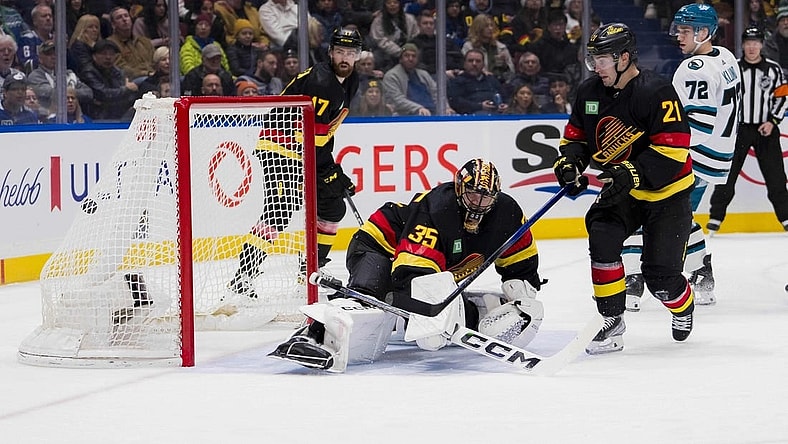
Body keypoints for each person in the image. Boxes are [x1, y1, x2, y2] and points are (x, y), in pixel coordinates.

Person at [270, 159, 546, 371]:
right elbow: (412, 277)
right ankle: (314, 336)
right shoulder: (437, 210)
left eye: (486, 197)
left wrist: (521, 295)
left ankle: (476, 310)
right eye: (473, 194)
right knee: (371, 298)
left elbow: (520, 265)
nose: (479, 203)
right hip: (379, 246)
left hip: (426, 267)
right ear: (460, 188)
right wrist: (427, 315)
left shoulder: (507, 214)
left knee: (435, 308)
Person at [553, 23, 696, 355]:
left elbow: (673, 152)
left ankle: (682, 305)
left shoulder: (656, 91)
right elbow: (576, 139)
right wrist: (570, 164)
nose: (596, 67)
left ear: (625, 57)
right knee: (601, 233)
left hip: (667, 194)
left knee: (660, 278)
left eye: (603, 59)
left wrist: (632, 172)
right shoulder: (589, 93)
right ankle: (611, 320)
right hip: (625, 191)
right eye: (594, 59)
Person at [226, 28, 362, 298]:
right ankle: (243, 274)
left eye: (351, 52)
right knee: (281, 208)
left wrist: (329, 170)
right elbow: (313, 135)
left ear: (358, 55)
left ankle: (311, 268)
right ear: (330, 53)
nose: (345, 57)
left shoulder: (351, 80)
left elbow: (322, 134)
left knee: (332, 207)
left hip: (307, 148)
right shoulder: (323, 82)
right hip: (280, 144)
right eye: (340, 52)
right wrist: (329, 170)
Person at [623, 4, 742, 309]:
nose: (678, 35)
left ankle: (633, 281)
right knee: (677, 216)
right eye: (678, 29)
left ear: (704, 33)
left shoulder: (695, 69)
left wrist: (653, 142)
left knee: (644, 210)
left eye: (686, 30)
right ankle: (702, 274)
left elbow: (699, 126)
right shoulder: (726, 57)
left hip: (692, 157)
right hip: (715, 157)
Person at [708, 27, 788, 233]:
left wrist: (773, 121)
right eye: (748, 42)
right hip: (739, 131)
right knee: (727, 174)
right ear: (742, 45)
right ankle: (716, 217)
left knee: (776, 177)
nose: (752, 47)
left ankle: (786, 218)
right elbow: (723, 98)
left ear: (762, 45)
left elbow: (782, 96)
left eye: (756, 42)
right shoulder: (732, 68)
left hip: (766, 130)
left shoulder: (774, 69)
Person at [79, 39, 141, 121]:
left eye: (112, 54)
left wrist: (122, 92)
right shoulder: (88, 72)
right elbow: (103, 94)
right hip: (96, 117)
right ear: (94, 56)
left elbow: (125, 96)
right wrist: (126, 89)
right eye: (104, 54)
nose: (108, 57)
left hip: (118, 113)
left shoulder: (117, 71)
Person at [28, 40, 93, 114]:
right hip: (47, 118)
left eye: (56, 54)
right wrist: (72, 92)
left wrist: (69, 92)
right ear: (40, 58)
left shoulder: (70, 74)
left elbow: (88, 93)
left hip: (73, 116)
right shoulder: (35, 76)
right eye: (49, 54)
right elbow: (52, 93)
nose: (53, 57)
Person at [381, 43, 438, 116]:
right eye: (407, 56)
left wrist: (446, 107)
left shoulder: (424, 74)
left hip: (432, 112)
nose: (410, 59)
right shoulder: (391, 76)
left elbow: (436, 92)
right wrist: (418, 108)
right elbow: (397, 101)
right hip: (408, 115)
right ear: (400, 59)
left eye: (413, 56)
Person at [447, 48, 508, 115]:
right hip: (470, 118)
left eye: (478, 61)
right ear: (464, 64)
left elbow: (505, 97)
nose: (474, 64)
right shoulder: (457, 82)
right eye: (470, 61)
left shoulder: (491, 80)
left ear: (483, 65)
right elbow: (455, 102)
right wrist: (479, 106)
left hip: (497, 116)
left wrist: (505, 105)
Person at [462, 13, 515, 84]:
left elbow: (512, 73)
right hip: (476, 83)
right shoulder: (468, 47)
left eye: (491, 25)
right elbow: (464, 69)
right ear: (478, 28)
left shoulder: (501, 47)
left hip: (499, 83)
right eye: (486, 26)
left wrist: (505, 65)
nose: (490, 28)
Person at [106, 7, 155, 81]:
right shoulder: (110, 44)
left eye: (126, 16)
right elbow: (121, 68)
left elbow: (155, 60)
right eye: (119, 17)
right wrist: (146, 73)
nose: (124, 19)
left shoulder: (145, 41)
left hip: (153, 75)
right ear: (113, 24)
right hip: (131, 80)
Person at [368, 0, 419, 71]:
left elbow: (415, 36)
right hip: (385, 54)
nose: (392, 5)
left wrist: (407, 50)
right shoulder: (378, 21)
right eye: (389, 3)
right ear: (385, 5)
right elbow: (380, 40)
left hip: (407, 50)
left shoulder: (410, 19)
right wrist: (400, 52)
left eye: (395, 2)